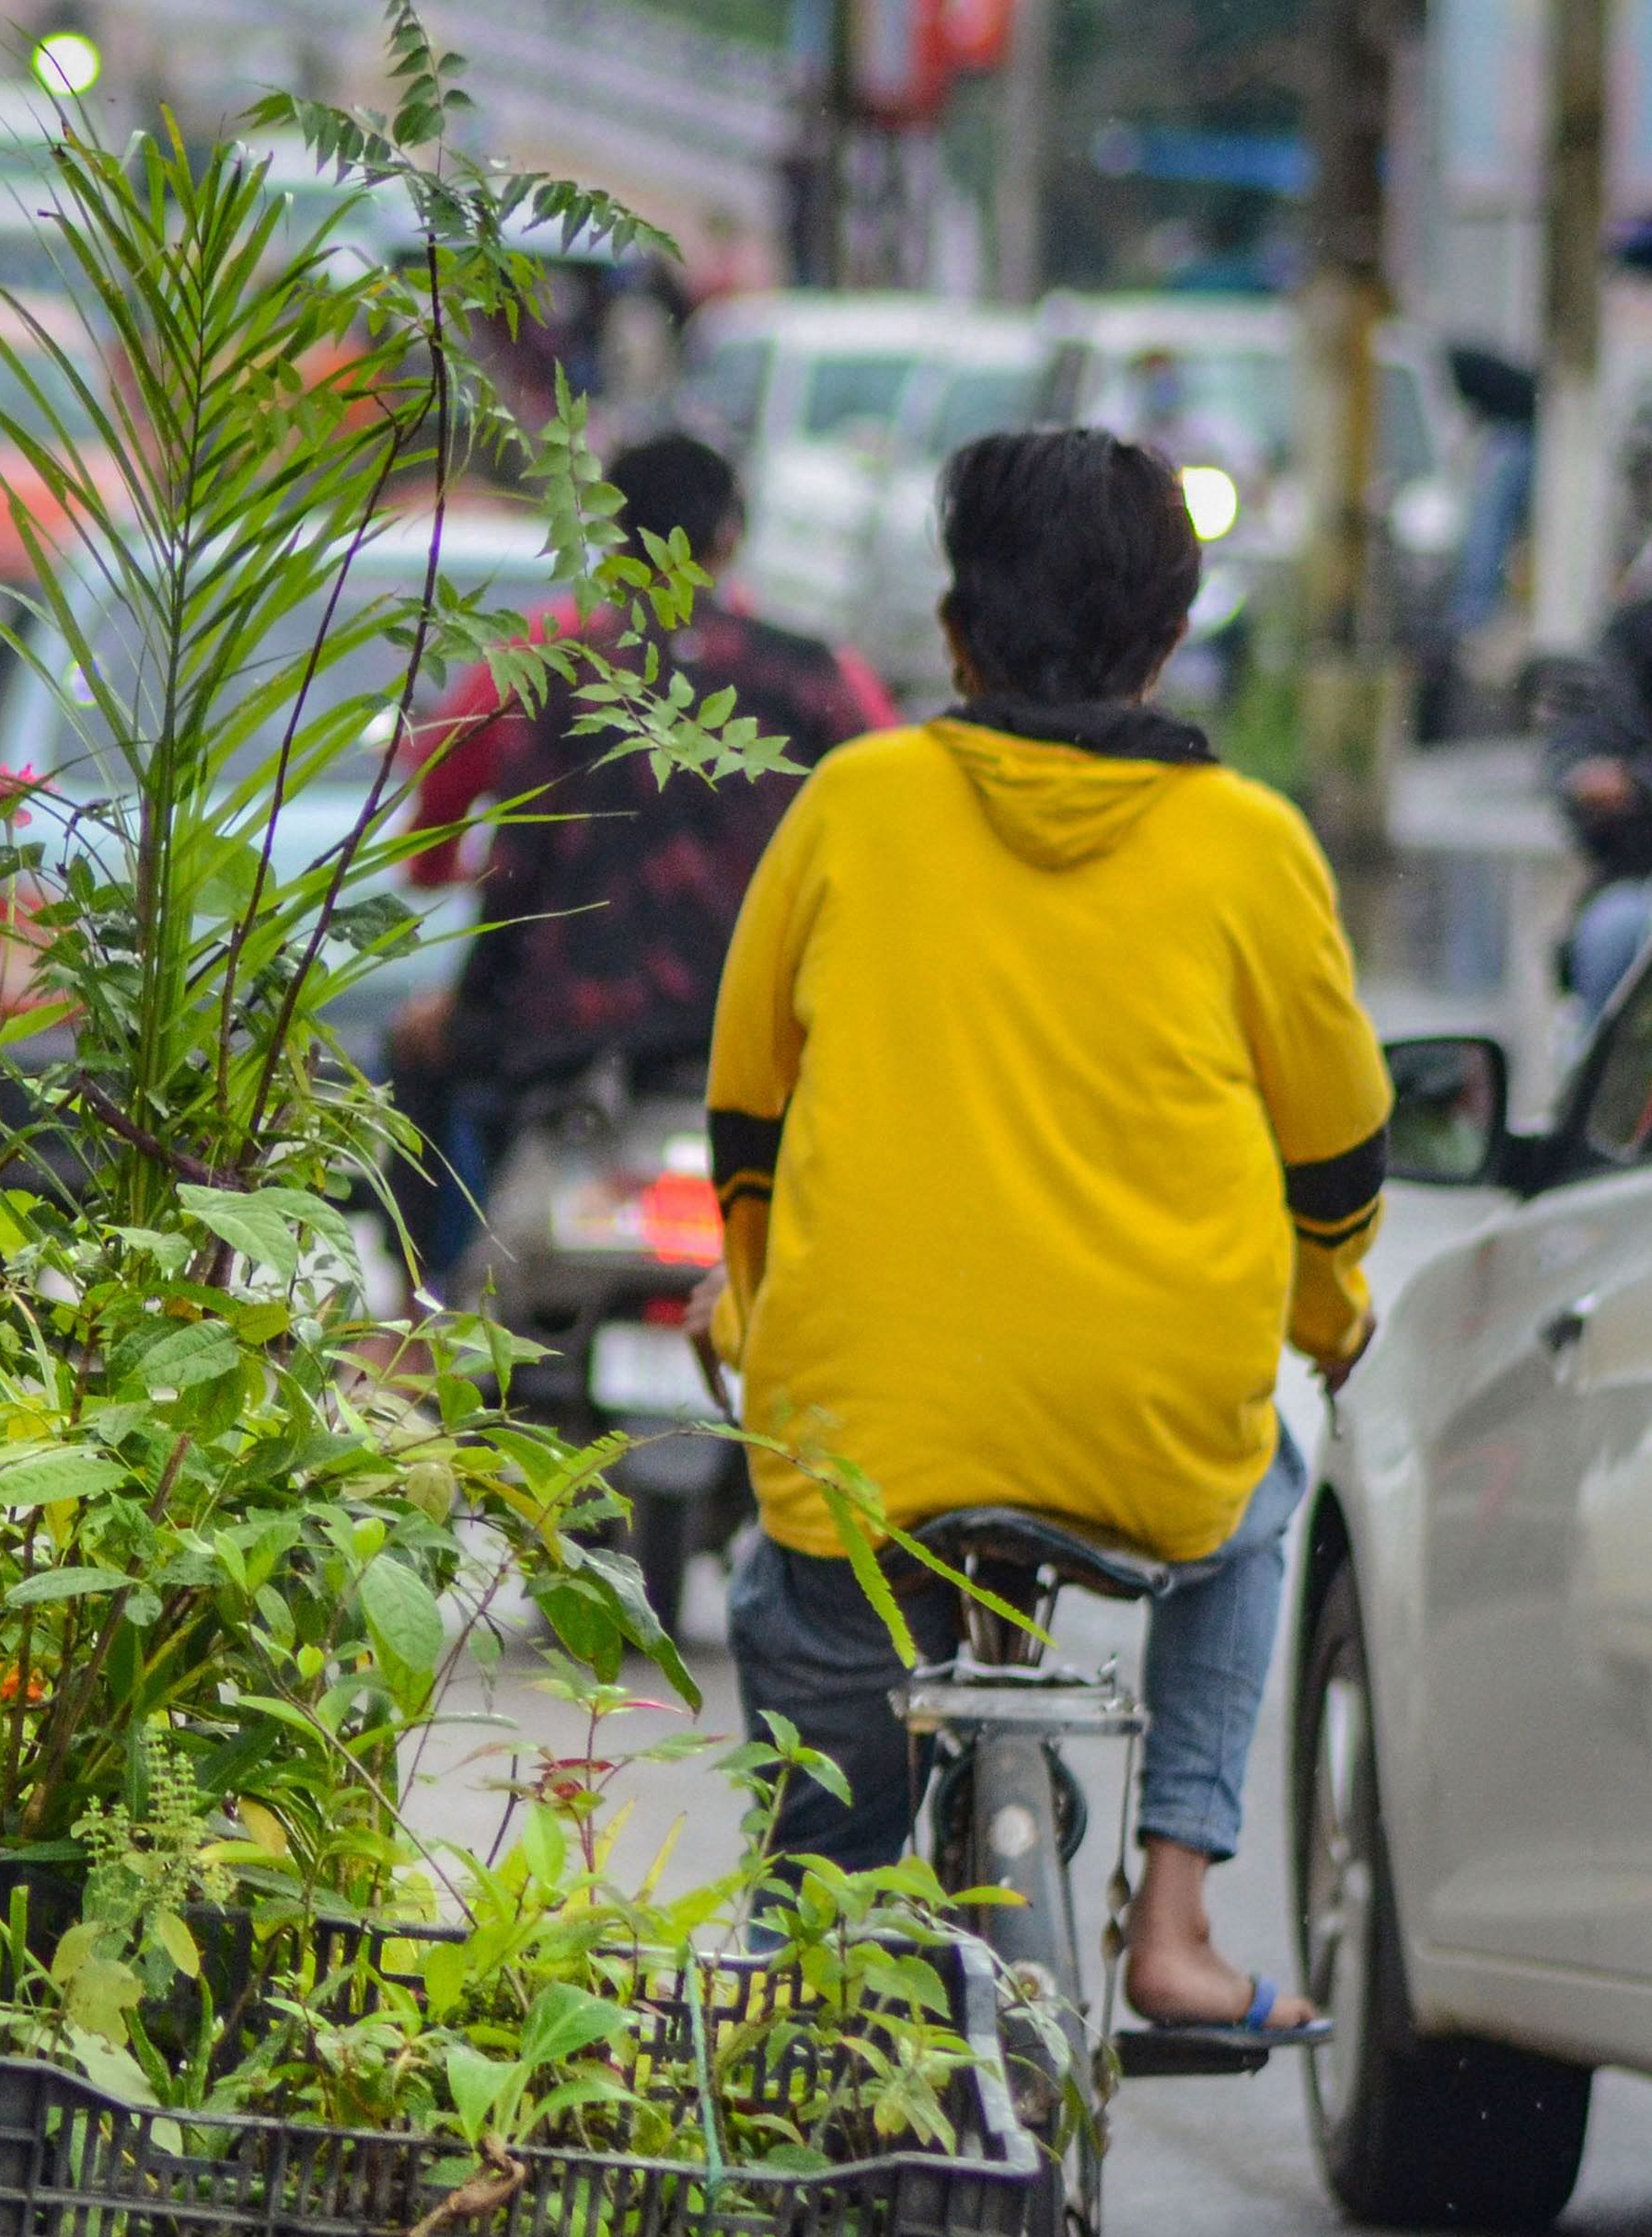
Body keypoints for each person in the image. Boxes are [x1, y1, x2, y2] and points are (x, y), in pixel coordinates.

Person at [702, 427, 1392, 2039]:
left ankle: (813, 1974)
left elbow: (750, 1120)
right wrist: (1326, 1312)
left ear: (955, 631)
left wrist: (752, 1312)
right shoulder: (1251, 847)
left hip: (867, 1431)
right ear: (1169, 632)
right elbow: (1341, 1147)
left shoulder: (854, 807)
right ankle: (1173, 1923)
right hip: (1153, 1437)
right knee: (1264, 1496)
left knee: (809, 1634)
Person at [388, 435, 893, 1272]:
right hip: (773, 1031)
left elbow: (507, 867)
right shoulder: (819, 678)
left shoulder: (551, 667)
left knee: (415, 1057)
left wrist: (475, 996)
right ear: (732, 537)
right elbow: (887, 840)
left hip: (575, 1032)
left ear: (612, 540)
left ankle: (420, 1302)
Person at [1537, 575, 1652, 1008]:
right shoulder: (1634, 632)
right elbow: (1581, 748)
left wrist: (1636, 782)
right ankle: (1600, 1072)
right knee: (1616, 936)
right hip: (1635, 879)